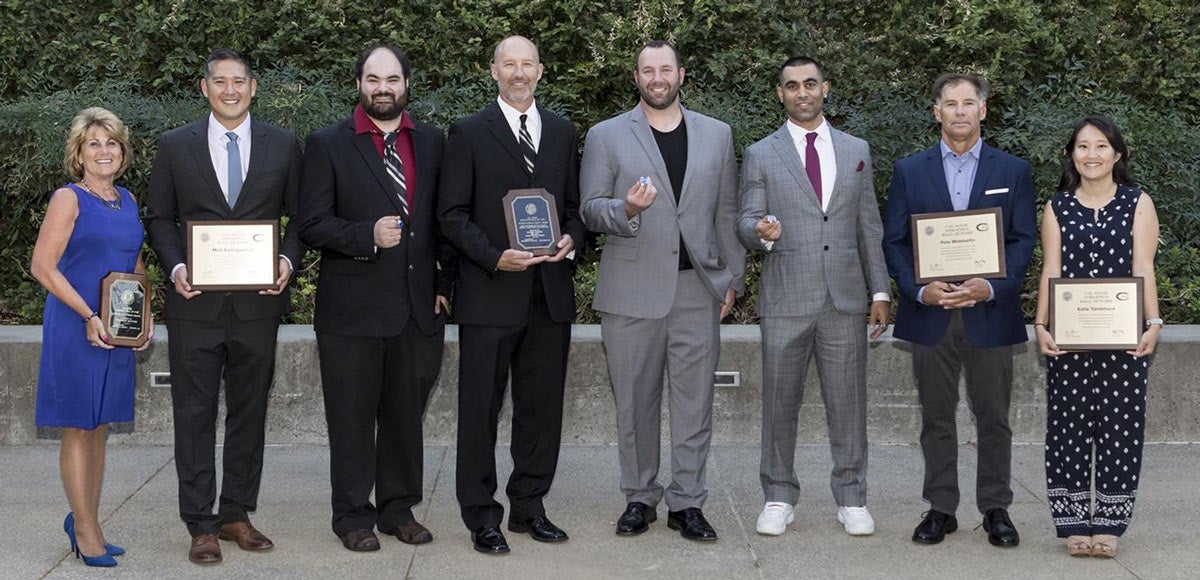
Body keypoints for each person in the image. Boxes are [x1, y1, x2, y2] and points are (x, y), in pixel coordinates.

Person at [580, 40, 745, 542]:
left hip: (697, 288)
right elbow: (589, 208)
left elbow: (727, 213)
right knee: (634, 403)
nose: (657, 78)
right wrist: (625, 210)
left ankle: (688, 503)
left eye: (665, 69)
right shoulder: (607, 135)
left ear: (681, 75)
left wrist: (731, 279)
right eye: (647, 70)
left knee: (695, 404)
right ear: (636, 78)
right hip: (631, 292)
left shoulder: (716, 135)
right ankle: (639, 497)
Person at [146, 49, 304, 564]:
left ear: (254, 87)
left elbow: (301, 217)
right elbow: (160, 218)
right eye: (220, 81)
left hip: (259, 305)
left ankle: (236, 512)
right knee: (193, 413)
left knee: (249, 412)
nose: (230, 90)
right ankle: (200, 524)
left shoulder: (283, 144)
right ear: (204, 87)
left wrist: (285, 259)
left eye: (239, 81)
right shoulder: (175, 145)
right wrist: (175, 267)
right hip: (195, 305)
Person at [297, 44, 455, 553]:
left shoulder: (432, 142)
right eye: (372, 78)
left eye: (391, 78)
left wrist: (445, 289)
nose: (382, 88)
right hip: (352, 310)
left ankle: (398, 510)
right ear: (359, 84)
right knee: (351, 417)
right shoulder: (327, 144)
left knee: (405, 417)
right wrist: (366, 234)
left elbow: (447, 222)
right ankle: (352, 516)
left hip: (417, 309)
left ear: (407, 83)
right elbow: (311, 223)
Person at [438, 35, 583, 555]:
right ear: (493, 71)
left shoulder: (563, 133)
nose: (519, 73)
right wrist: (492, 256)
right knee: (480, 410)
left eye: (527, 64)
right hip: (490, 291)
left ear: (540, 71)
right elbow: (450, 215)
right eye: (509, 65)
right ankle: (481, 515)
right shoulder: (469, 133)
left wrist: (572, 237)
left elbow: (573, 206)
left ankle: (529, 506)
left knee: (541, 410)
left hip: (548, 295)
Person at [736, 56, 890, 537]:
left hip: (845, 299)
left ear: (826, 88)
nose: (801, 92)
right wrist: (759, 231)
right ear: (779, 93)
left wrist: (880, 290)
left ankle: (852, 497)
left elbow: (869, 225)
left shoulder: (856, 149)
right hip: (786, 299)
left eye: (810, 83)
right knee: (779, 403)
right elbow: (744, 220)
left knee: (848, 405)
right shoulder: (762, 153)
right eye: (791, 86)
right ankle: (779, 495)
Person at [882, 73, 1035, 547]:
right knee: (936, 417)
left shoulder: (1012, 171)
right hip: (931, 315)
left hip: (989, 313)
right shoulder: (910, 170)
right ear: (937, 112)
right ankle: (941, 508)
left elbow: (1022, 240)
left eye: (969, 103)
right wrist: (916, 291)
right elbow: (895, 241)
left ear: (983, 111)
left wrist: (989, 287)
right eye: (951, 103)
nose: (961, 111)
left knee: (994, 417)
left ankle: (996, 509)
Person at [1033, 116, 1161, 558]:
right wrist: (1041, 325)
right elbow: (1051, 269)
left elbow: (1144, 267)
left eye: (1101, 146)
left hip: (1123, 338)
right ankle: (1072, 522)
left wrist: (1154, 323)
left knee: (1121, 429)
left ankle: (1110, 523)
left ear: (1117, 154)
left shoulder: (1137, 202)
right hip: (1069, 339)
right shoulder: (1058, 206)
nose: (1091, 154)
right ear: (1072, 154)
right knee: (1067, 429)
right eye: (1083, 146)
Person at [31, 107, 149, 568]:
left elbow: (133, 262)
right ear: (78, 154)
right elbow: (43, 266)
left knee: (100, 427)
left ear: (123, 152)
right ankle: (84, 529)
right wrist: (87, 315)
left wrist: (143, 316)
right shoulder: (68, 199)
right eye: (94, 144)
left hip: (115, 327)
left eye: (112, 143)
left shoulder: (128, 198)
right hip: (77, 326)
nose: (104, 151)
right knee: (79, 426)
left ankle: (88, 520)